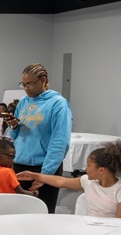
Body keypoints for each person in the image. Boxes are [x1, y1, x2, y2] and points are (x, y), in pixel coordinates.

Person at [4, 63, 72, 213]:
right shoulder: (23, 102)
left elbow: (60, 142)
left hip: (44, 167)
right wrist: (13, 126)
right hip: (20, 164)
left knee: (42, 214)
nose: (26, 88)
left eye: (30, 84)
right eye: (23, 84)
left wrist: (45, 174)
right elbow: (16, 137)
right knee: (19, 213)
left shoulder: (58, 104)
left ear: (43, 80)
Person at [17, 139, 121, 218]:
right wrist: (36, 176)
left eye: (88, 165)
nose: (85, 169)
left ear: (101, 170)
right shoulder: (88, 181)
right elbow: (61, 181)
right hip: (87, 229)